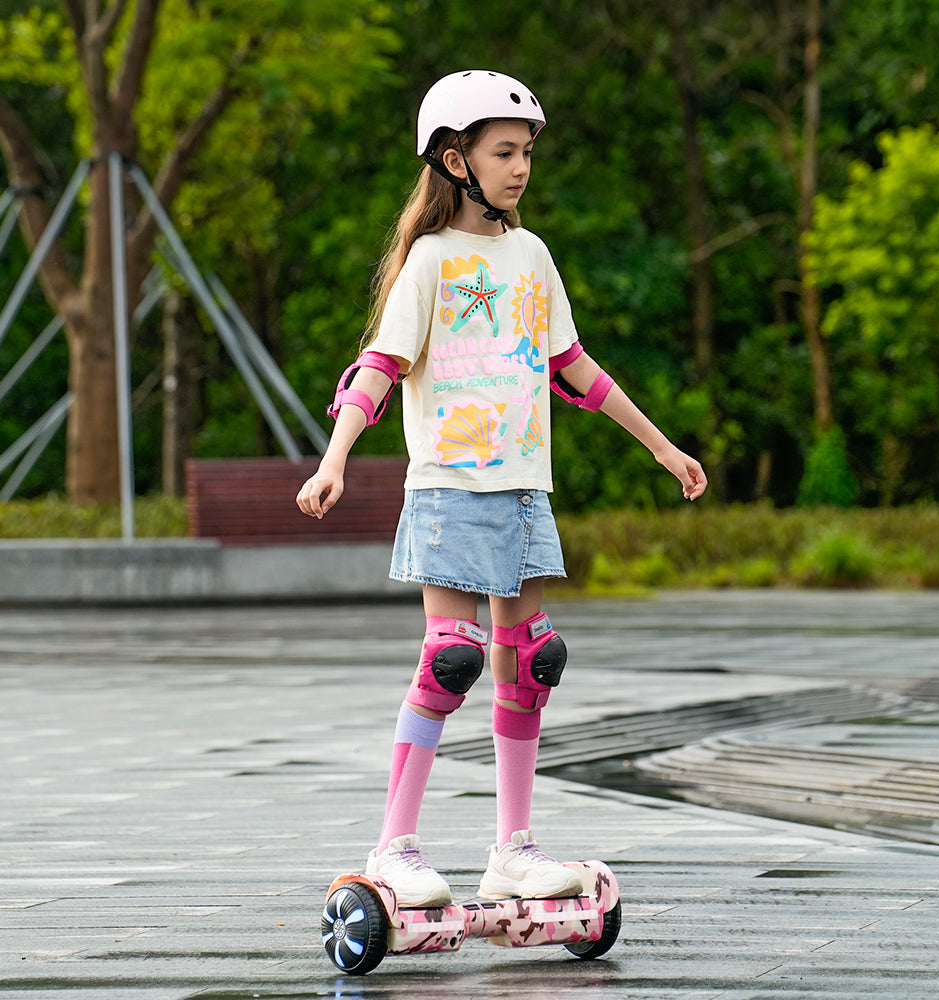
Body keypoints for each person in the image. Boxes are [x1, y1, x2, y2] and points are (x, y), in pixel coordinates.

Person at [296, 69, 707, 907]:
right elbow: (378, 367)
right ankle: (394, 848)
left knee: (531, 663)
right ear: (456, 161)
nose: (520, 168)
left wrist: (663, 447)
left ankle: (513, 851)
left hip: (523, 493)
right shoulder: (430, 263)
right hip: (449, 492)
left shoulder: (532, 256)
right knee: (451, 661)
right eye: (504, 152)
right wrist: (334, 457)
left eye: (526, 153)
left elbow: (574, 367)